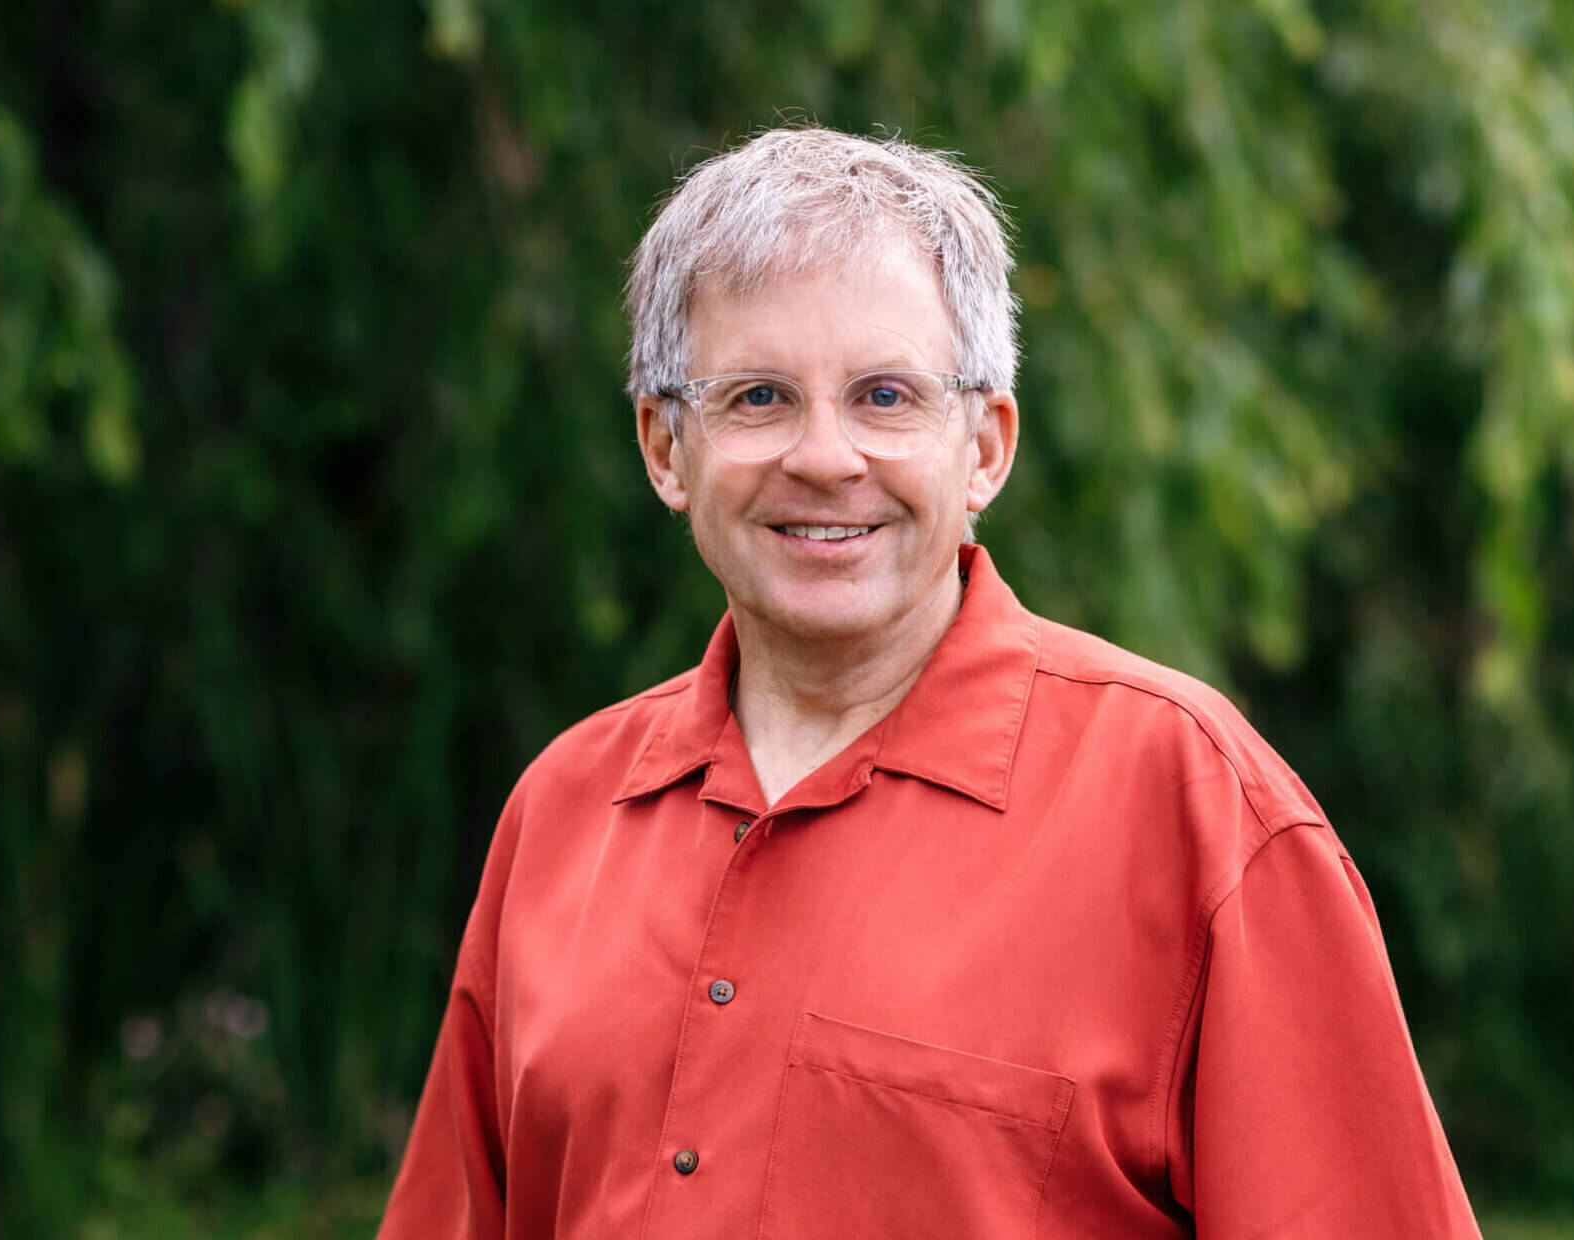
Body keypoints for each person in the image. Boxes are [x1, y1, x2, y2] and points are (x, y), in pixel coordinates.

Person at [379, 125, 1481, 1239]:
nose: (823, 455)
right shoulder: (563, 815)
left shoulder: (1193, 809)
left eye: (886, 396)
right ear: (667, 448)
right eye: (757, 397)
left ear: (986, 447)